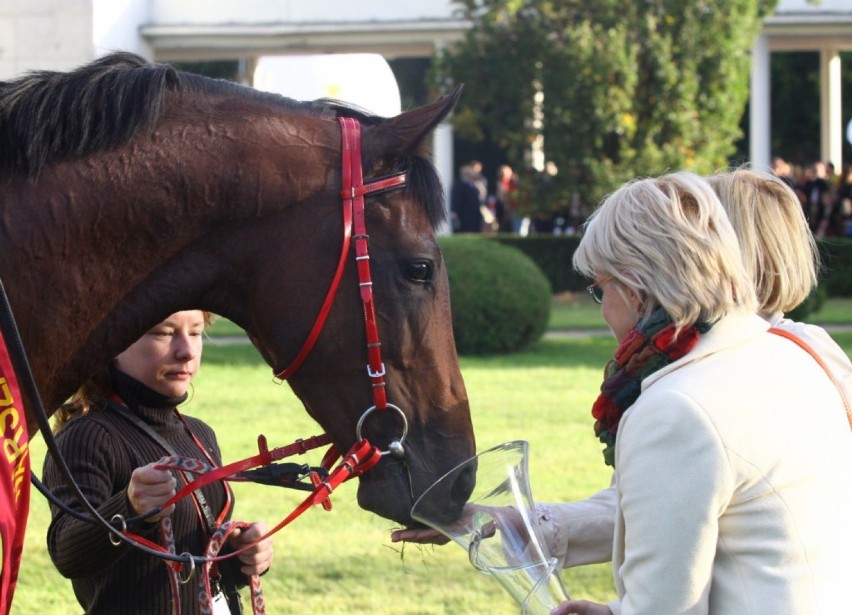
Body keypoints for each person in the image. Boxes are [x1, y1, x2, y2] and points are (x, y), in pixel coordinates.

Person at [43, 310, 274, 614]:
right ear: (114, 342)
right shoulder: (86, 436)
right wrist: (129, 508)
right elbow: (67, 553)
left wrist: (241, 555)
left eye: (195, 332)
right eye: (164, 333)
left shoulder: (200, 433)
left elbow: (192, 565)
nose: (187, 351)